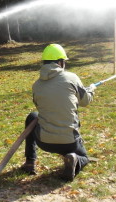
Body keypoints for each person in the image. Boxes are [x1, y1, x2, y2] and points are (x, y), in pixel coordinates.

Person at [21, 44, 96, 181]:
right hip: (70, 142)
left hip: (44, 142)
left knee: (32, 116)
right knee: (84, 157)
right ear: (60, 62)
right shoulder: (72, 78)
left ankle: (30, 162)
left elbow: (40, 107)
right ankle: (74, 159)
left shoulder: (36, 85)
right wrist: (90, 90)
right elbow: (85, 101)